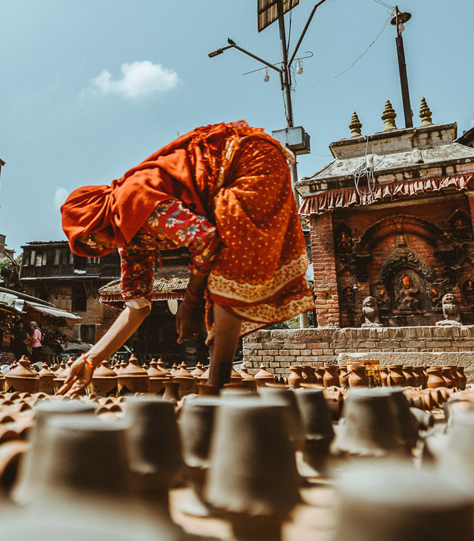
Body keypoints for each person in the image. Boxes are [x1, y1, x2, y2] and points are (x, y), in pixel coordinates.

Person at [57, 121, 313, 394]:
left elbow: (205, 240)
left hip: (248, 159)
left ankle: (215, 390)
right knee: (219, 276)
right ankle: (217, 390)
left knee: (225, 270)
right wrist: (90, 359)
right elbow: (137, 307)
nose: (98, 246)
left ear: (98, 215)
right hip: (229, 180)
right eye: (90, 246)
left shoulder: (134, 199)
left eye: (92, 236)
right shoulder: (130, 240)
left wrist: (191, 302)